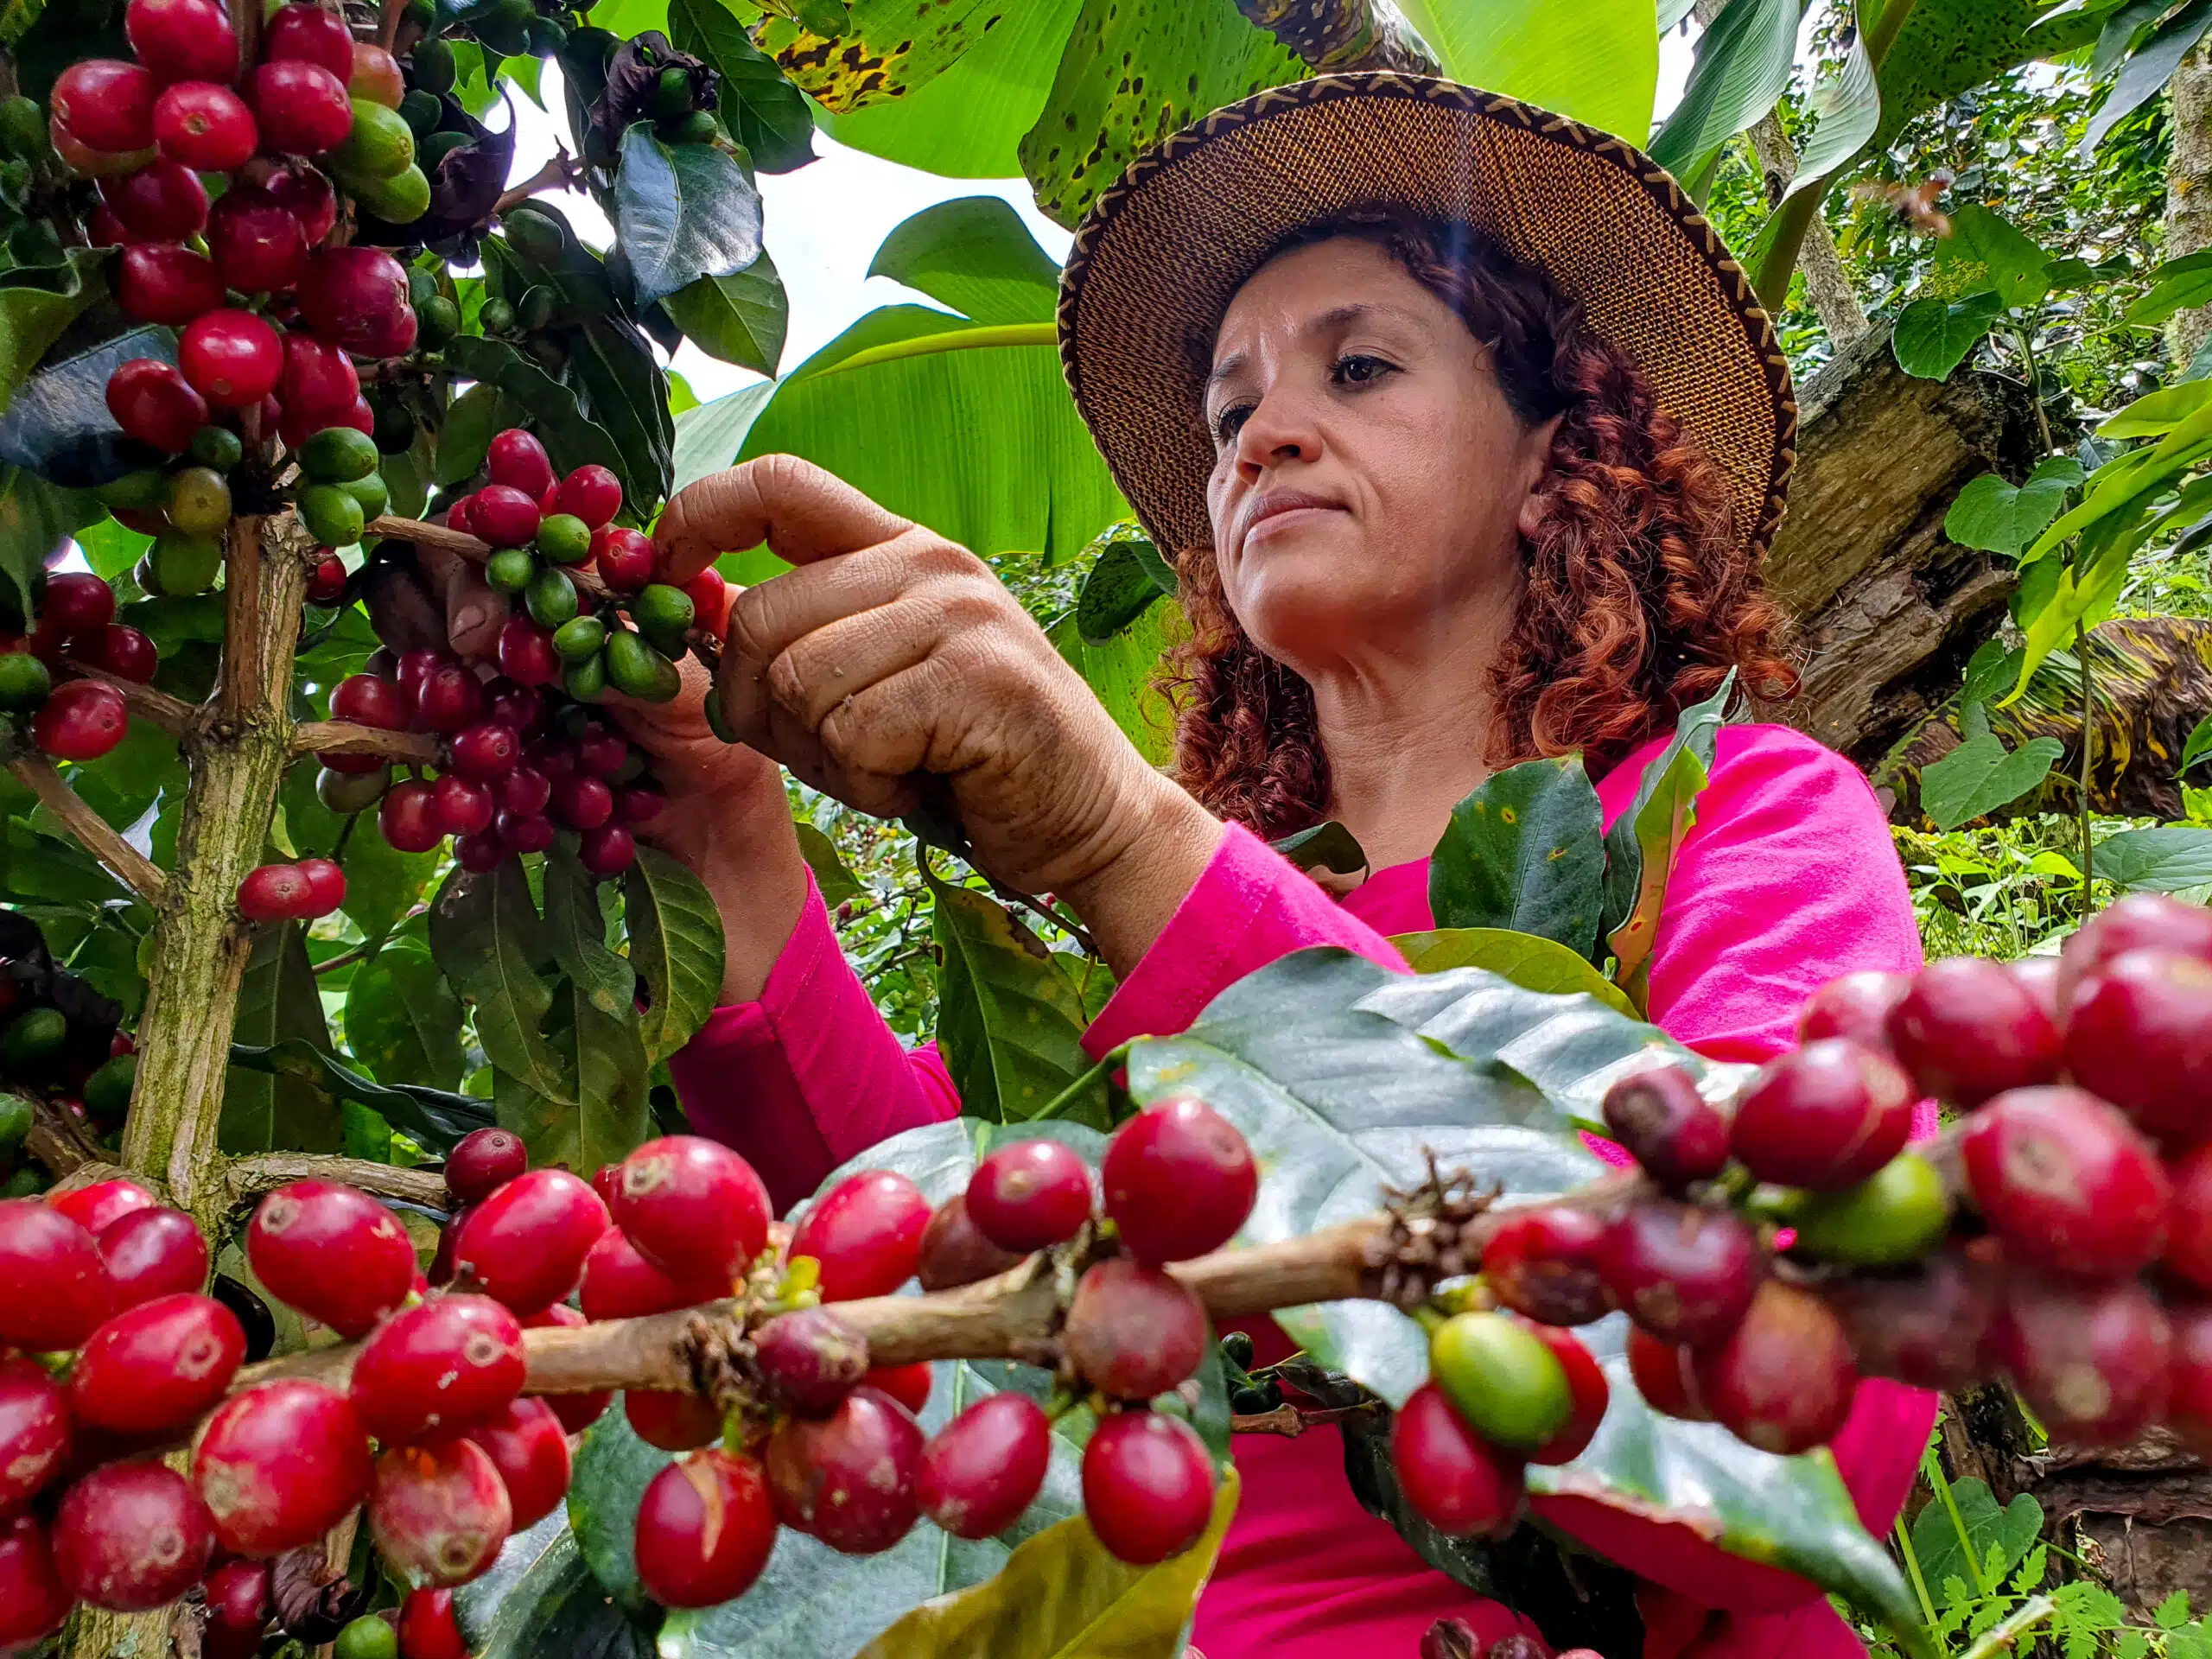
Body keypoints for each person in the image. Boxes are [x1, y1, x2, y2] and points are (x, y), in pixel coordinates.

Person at [432, 73, 1937, 1659]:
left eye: (1360, 366)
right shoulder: (1185, 929)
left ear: (1554, 458)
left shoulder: (1738, 819)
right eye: (1231, 415)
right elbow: (934, 1272)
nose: (1267, 435)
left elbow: (1787, 1416)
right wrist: (727, 831)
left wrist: (1126, 839)